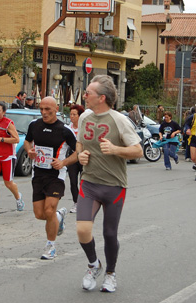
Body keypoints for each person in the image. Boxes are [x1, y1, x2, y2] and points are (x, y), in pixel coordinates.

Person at [76, 75, 142, 293]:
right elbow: (79, 143)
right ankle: (94, 264)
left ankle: (111, 274)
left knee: (109, 234)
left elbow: (138, 150)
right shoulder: (85, 117)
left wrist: (116, 150)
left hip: (114, 185)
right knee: (83, 229)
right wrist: (81, 155)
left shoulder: (119, 120)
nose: (84, 95)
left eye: (88, 93)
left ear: (101, 98)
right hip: (89, 182)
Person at [24, 96, 77, 260]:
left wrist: (63, 162)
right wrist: (29, 151)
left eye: (48, 110)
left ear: (56, 110)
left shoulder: (64, 130)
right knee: (40, 214)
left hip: (56, 176)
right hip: (38, 173)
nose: (44, 113)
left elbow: (78, 152)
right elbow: (27, 142)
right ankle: (59, 216)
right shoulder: (34, 125)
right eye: (41, 109)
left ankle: (51, 246)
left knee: (49, 210)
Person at [66, 104, 85, 213]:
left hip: (83, 158)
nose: (72, 117)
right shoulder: (68, 128)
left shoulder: (84, 128)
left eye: (74, 114)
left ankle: (84, 202)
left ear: (80, 116)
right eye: (71, 114)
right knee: (73, 181)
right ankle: (76, 202)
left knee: (83, 181)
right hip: (72, 157)